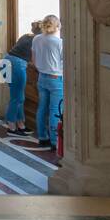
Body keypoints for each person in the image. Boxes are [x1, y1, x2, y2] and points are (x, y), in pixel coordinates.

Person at [31, 14, 64, 149]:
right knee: (55, 110)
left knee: (42, 108)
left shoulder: (37, 39)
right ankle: (55, 141)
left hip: (42, 76)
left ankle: (42, 137)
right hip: (56, 78)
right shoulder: (59, 42)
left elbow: (33, 58)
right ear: (57, 26)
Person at [3, 20, 40, 133]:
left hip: (6, 61)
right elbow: (35, 59)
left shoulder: (26, 36)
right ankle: (11, 125)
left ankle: (21, 124)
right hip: (17, 65)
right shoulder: (37, 41)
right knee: (17, 98)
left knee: (18, 97)